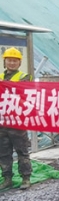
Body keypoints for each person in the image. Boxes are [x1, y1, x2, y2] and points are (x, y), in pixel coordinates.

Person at [0, 47, 33, 191]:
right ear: (5, 61)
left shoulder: (24, 77)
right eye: (9, 60)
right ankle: (7, 178)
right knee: (3, 153)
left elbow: (24, 93)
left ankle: (25, 178)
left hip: (17, 122)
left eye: (15, 61)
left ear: (19, 63)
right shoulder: (1, 77)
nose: (12, 63)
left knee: (22, 151)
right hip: (2, 122)